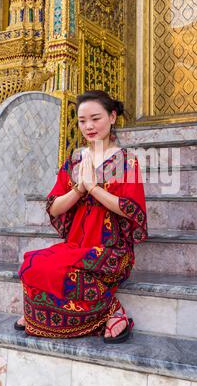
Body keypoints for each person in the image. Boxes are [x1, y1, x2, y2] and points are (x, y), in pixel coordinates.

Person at [16, 90, 148, 343]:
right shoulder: (74, 160)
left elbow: (130, 208)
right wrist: (79, 189)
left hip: (111, 250)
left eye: (95, 118)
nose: (88, 126)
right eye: (82, 120)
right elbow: (54, 208)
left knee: (59, 270)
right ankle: (38, 317)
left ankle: (112, 311)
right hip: (76, 245)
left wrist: (95, 188)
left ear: (112, 117)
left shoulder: (126, 162)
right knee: (32, 264)